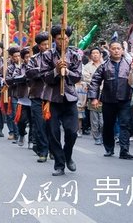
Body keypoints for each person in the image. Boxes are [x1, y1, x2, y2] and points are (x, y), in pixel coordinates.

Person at [41, 25, 82, 176]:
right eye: (59, 39)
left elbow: (77, 76)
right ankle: (59, 164)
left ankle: (68, 155)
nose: (62, 42)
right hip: (52, 98)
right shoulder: (46, 55)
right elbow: (44, 77)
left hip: (69, 98)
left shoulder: (75, 55)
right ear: (54, 39)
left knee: (72, 132)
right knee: (53, 133)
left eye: (65, 38)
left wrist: (67, 71)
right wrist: (56, 71)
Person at [88, 41, 133, 159]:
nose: (116, 50)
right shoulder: (104, 65)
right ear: (109, 50)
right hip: (108, 100)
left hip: (125, 99)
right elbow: (95, 81)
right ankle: (109, 149)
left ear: (122, 50)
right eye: (113, 48)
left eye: (118, 48)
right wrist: (94, 98)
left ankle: (124, 150)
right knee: (108, 125)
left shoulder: (129, 63)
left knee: (125, 125)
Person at [26, 32, 51, 163]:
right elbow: (29, 73)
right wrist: (44, 71)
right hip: (37, 94)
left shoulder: (56, 57)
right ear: (39, 46)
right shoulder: (34, 59)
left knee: (52, 125)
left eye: (48, 44)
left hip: (52, 96)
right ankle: (43, 151)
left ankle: (53, 149)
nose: (46, 46)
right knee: (39, 124)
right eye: (43, 44)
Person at [81, 47, 104, 145]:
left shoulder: (105, 65)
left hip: (105, 94)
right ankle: (97, 137)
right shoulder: (87, 67)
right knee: (94, 118)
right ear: (90, 56)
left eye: (97, 53)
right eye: (93, 53)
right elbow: (87, 79)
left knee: (103, 118)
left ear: (100, 55)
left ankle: (104, 136)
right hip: (93, 94)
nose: (95, 55)